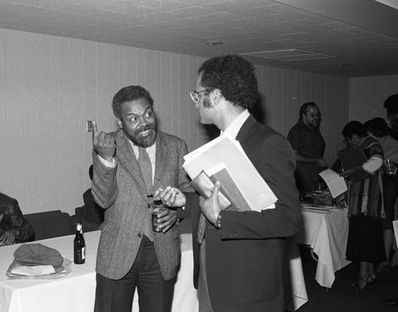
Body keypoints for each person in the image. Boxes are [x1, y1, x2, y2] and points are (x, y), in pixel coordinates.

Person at [185, 55, 300, 311]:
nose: (195, 103)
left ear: (215, 96)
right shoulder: (218, 145)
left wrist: (222, 219)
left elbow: (288, 219)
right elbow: (220, 201)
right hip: (212, 277)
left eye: (197, 94)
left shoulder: (268, 144)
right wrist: (186, 201)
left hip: (246, 288)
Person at [91, 85, 193, 312]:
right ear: (120, 122)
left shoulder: (176, 146)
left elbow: (190, 192)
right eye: (133, 118)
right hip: (118, 251)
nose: (144, 122)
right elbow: (103, 201)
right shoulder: (107, 147)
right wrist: (106, 159)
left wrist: (177, 212)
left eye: (148, 113)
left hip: (161, 252)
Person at [334, 121, 385, 290]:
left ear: (355, 137)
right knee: (368, 239)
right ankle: (369, 274)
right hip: (363, 200)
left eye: (347, 140)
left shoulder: (371, 144)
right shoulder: (366, 145)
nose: (346, 143)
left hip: (367, 201)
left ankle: (362, 278)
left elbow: (377, 162)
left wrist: (352, 170)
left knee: (364, 240)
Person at [364, 117, 398, 272]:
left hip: (390, 185)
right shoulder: (388, 142)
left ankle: (386, 257)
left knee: (388, 220)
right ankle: (390, 256)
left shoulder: (386, 144)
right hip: (388, 185)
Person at [287, 102, 326, 194]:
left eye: (317, 115)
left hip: (315, 179)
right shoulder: (297, 131)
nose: (316, 118)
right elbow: (293, 156)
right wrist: (316, 161)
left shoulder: (314, 129)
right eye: (312, 115)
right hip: (303, 182)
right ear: (303, 116)